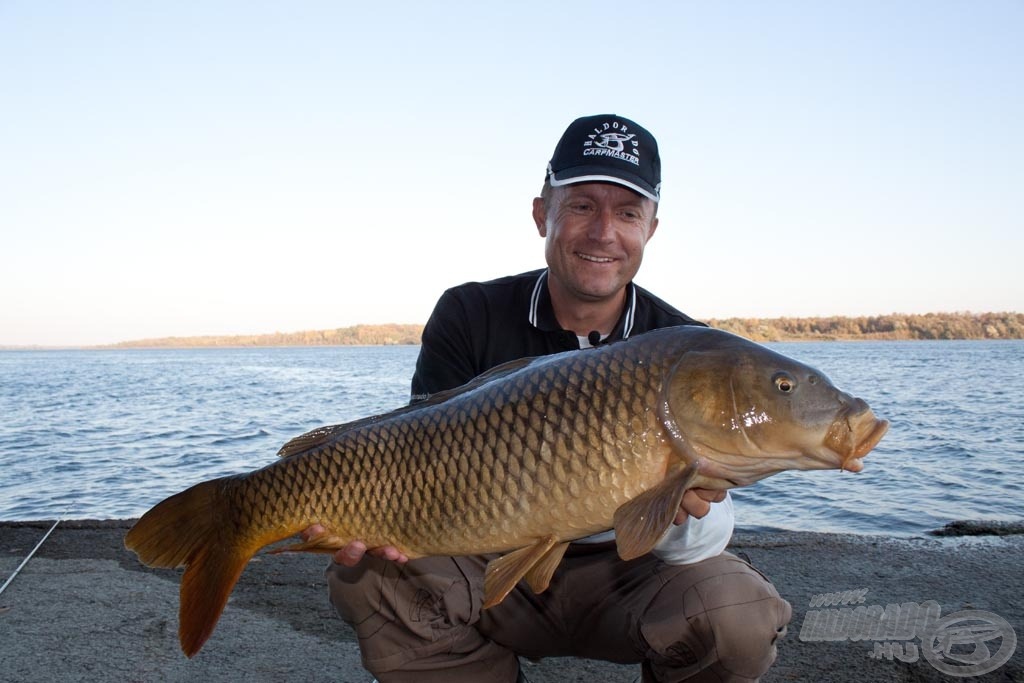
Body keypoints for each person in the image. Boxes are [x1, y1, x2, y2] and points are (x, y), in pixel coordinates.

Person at [308, 115, 792, 682]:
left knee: (739, 617)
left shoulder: (689, 350)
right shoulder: (470, 313)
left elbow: (694, 551)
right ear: (543, 214)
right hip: (487, 565)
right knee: (367, 577)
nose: (603, 232)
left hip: (625, 576)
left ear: (651, 229)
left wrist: (675, 506)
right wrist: (362, 516)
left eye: (628, 213)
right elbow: (414, 461)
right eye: (583, 206)